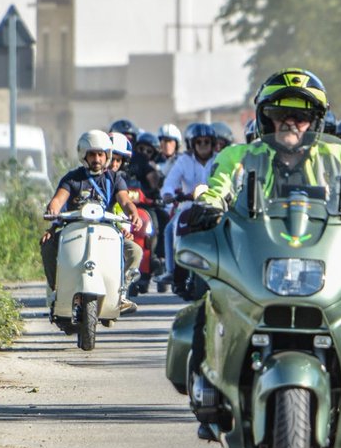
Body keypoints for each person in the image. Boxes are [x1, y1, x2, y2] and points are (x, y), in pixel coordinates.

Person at [180, 68, 341, 448]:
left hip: (323, 259)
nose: (291, 123)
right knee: (208, 306)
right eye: (281, 114)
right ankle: (208, 401)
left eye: (301, 115)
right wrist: (206, 208)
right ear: (265, 119)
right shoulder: (239, 156)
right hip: (259, 261)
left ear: (315, 121)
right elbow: (217, 188)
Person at [41, 130, 144, 313]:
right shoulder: (72, 178)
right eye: (92, 154)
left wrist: (133, 213)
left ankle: (121, 292)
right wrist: (53, 209)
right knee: (48, 245)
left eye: (100, 154)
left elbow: (125, 201)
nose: (96, 158)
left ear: (106, 156)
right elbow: (58, 199)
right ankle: (56, 288)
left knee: (135, 251)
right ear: (84, 155)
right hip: (73, 229)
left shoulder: (115, 179)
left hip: (106, 231)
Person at [161, 122, 219, 296]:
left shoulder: (220, 159)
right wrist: (168, 194)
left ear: (212, 143)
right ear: (192, 144)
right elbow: (169, 183)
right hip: (188, 208)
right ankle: (173, 273)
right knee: (171, 229)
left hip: (215, 207)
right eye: (199, 142)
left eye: (206, 142)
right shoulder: (183, 161)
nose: (203, 146)